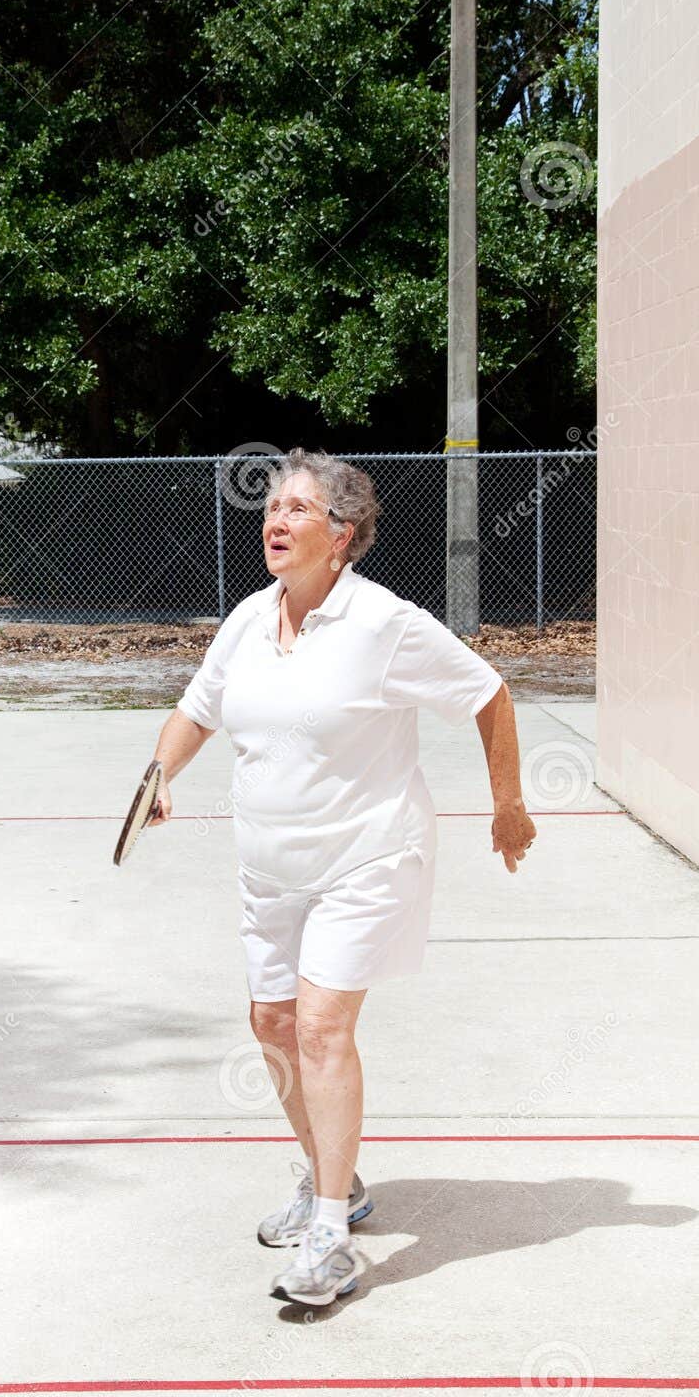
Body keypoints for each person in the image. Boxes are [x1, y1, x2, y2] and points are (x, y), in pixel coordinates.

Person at [146, 448, 536, 1307]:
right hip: (269, 865)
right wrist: (159, 773)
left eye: (295, 508)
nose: (273, 521)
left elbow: (487, 692)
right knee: (272, 1023)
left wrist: (506, 806)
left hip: (368, 858)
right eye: (270, 508)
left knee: (321, 1025)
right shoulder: (251, 616)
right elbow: (198, 708)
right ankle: (342, 1180)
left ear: (342, 535)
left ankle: (328, 1234)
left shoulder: (383, 622)